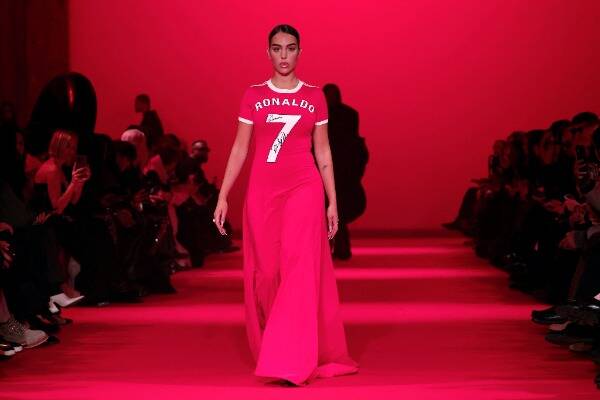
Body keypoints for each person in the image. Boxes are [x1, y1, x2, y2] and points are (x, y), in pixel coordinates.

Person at [213, 24, 358, 386]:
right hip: (263, 191)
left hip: (304, 188)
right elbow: (240, 148)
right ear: (268, 52)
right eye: (277, 48)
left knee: (299, 268)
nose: (283, 55)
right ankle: (277, 346)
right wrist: (223, 194)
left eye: (290, 48)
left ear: (299, 52)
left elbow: (323, 151)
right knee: (266, 273)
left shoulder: (314, 96)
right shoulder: (253, 95)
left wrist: (332, 201)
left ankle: (293, 359)